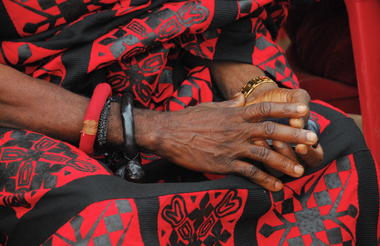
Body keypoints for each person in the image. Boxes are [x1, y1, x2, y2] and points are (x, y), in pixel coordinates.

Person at [0, 0, 378, 245]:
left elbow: (219, 16)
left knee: (329, 149)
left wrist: (253, 88)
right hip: (36, 107)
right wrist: (156, 131)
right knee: (105, 218)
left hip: (173, 77)